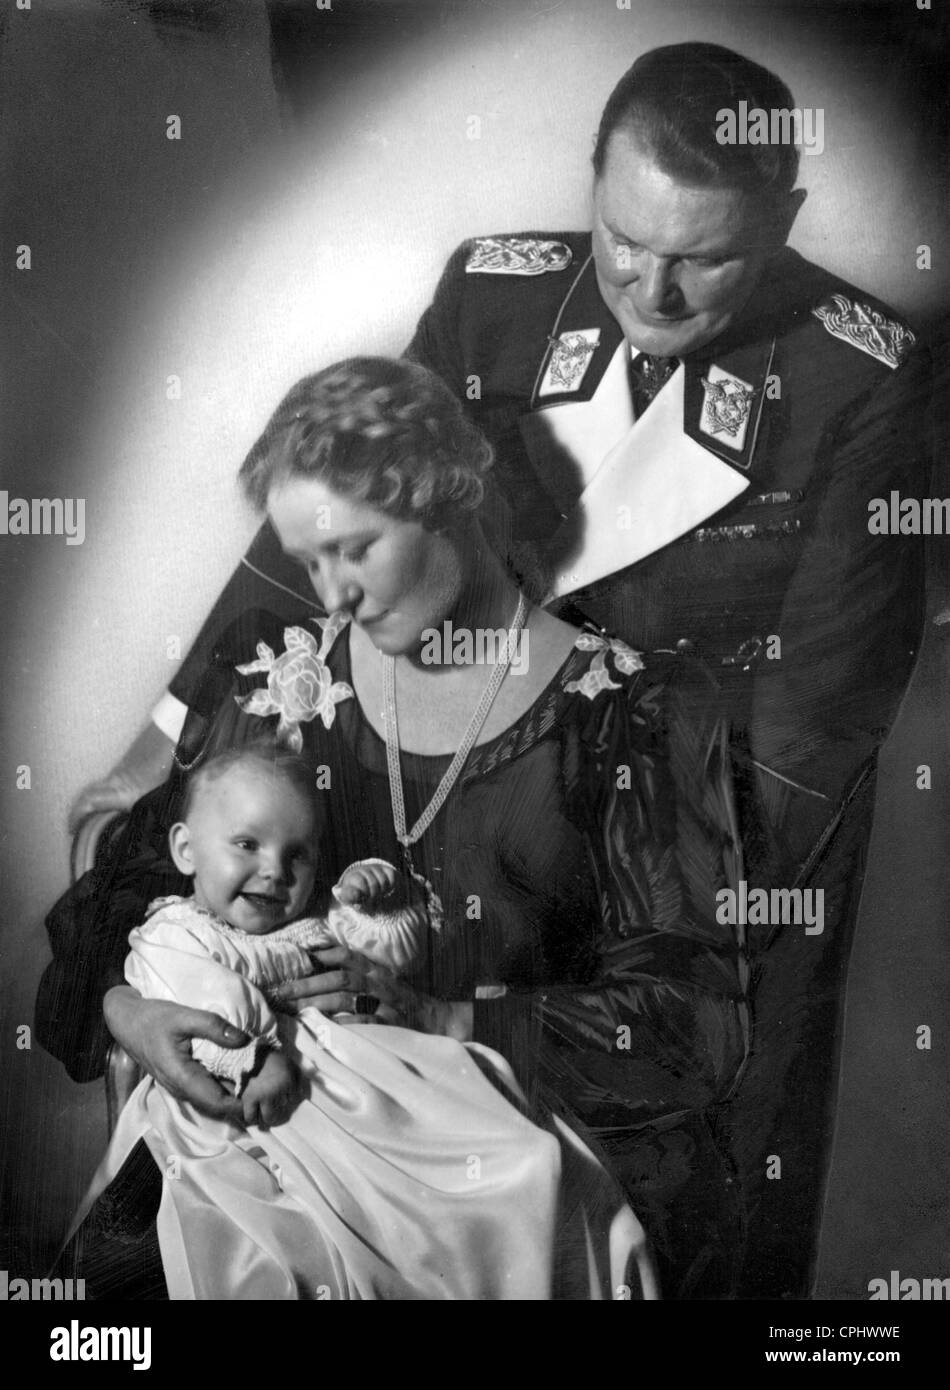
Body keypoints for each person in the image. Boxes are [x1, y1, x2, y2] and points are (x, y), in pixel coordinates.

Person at [42, 356, 748, 1300]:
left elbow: (695, 1026)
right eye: (310, 561)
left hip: (501, 1173)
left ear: (450, 498)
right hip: (277, 1152)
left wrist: (442, 1016)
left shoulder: (630, 714)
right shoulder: (281, 679)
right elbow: (128, 895)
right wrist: (134, 1012)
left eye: (356, 549)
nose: (331, 594)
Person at [66, 741, 646, 1300]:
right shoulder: (178, 932)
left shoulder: (313, 920)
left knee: (501, 1146)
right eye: (246, 844)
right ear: (185, 850)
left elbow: (391, 957)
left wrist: (379, 906)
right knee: (294, 1221)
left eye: (297, 854)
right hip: (252, 1091)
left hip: (360, 1078)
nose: (273, 871)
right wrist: (252, 1057)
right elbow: (202, 1002)